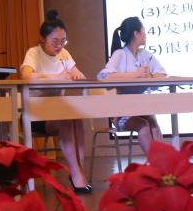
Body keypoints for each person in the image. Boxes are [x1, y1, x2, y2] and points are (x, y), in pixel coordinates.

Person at [18, 10, 91, 193]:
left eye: (63, 41)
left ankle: (79, 170)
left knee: (77, 119)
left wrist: (76, 75)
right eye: (55, 41)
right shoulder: (34, 53)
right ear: (43, 39)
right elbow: (26, 76)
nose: (59, 46)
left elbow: (79, 74)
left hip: (58, 111)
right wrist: (55, 77)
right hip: (36, 115)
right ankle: (76, 173)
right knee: (66, 120)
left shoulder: (64, 54)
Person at [97, 16, 166, 153]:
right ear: (136, 33)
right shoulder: (120, 54)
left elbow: (163, 74)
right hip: (121, 113)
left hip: (142, 108)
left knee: (154, 125)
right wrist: (135, 74)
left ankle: (162, 162)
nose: (145, 34)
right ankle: (154, 162)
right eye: (143, 30)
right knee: (144, 125)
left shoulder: (145, 54)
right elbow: (104, 76)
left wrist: (150, 76)